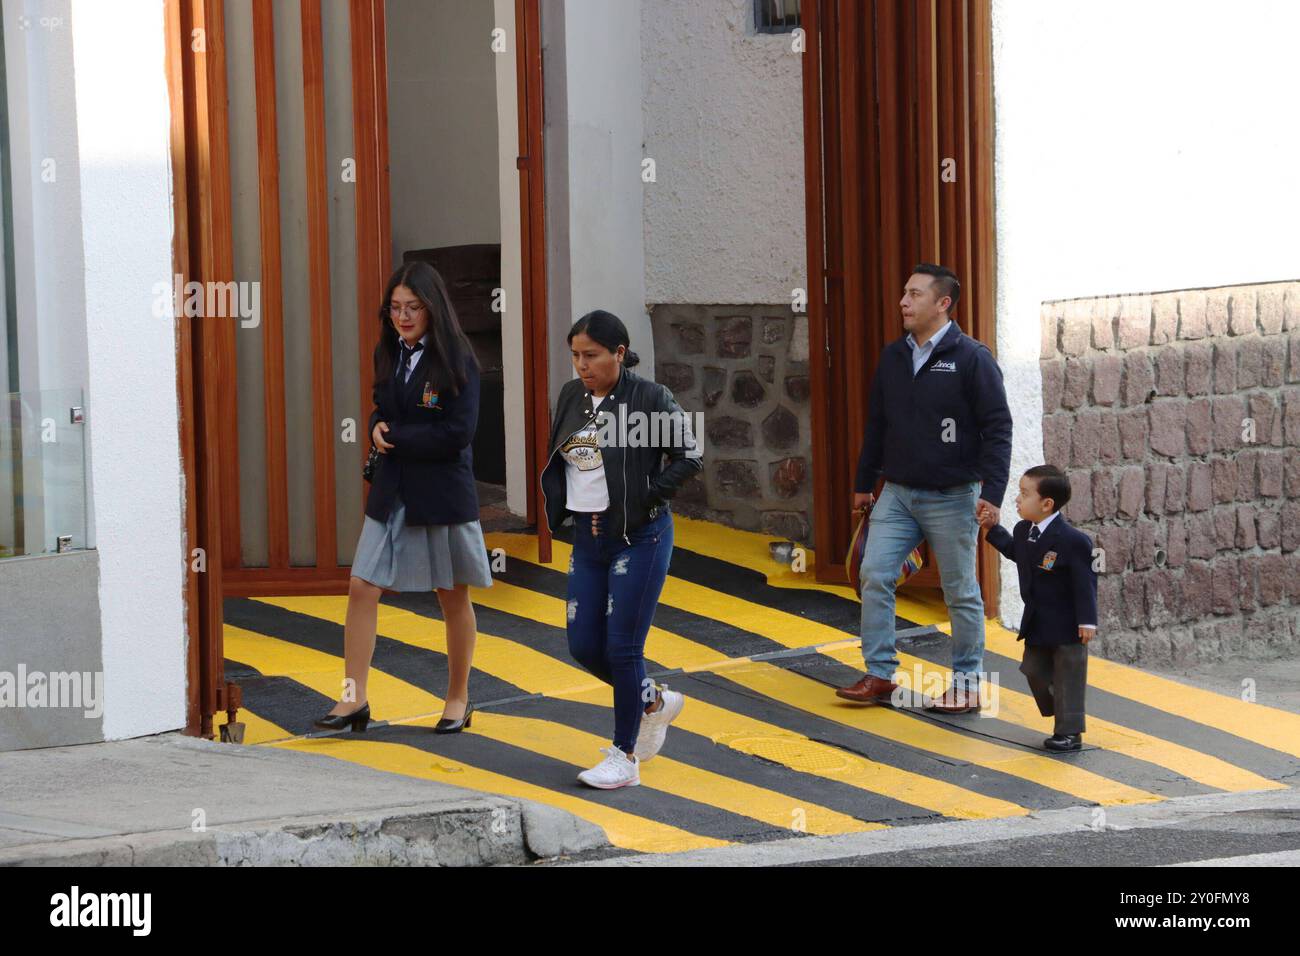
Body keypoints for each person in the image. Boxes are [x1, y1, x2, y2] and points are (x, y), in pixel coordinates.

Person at [315, 261, 492, 735]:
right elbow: (382, 401)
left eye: (413, 307)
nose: (403, 316)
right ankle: (354, 700)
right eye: (395, 308)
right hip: (392, 489)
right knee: (361, 586)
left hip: (441, 493)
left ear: (433, 308)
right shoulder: (388, 351)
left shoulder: (459, 362)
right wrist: (375, 423)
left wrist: (399, 436)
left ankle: (458, 699)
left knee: (452, 595)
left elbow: (459, 433)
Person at [838, 263, 1012, 713]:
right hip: (896, 493)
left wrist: (991, 494)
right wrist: (863, 483)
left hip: (953, 496)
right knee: (873, 574)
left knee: (960, 590)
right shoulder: (894, 356)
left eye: (914, 294)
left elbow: (998, 428)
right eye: (904, 293)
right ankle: (880, 674)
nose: (903, 302)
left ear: (943, 303)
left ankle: (968, 684)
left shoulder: (972, 357)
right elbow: (877, 423)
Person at [540, 310, 703, 788]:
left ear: (618, 352)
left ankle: (624, 757)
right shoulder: (572, 396)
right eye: (574, 355)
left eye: (590, 355)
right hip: (588, 538)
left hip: (640, 536)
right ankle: (652, 700)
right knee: (583, 644)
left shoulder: (649, 398)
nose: (581, 365)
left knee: (623, 647)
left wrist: (649, 495)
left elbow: (689, 454)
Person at [981, 465, 1097, 751]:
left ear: (1047, 504)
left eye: (1024, 494)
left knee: (1069, 675)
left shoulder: (1074, 541)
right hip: (1037, 620)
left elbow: (1085, 583)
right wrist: (992, 530)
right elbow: (1015, 553)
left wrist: (1087, 621)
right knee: (1033, 670)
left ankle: (1069, 733)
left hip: (1069, 623)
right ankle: (1063, 710)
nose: (1017, 500)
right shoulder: (1023, 531)